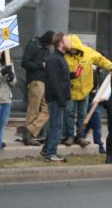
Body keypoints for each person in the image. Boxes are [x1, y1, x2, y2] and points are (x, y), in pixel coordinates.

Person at [62, 35, 112, 147]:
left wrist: (111, 67)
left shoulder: (88, 52)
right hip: (71, 91)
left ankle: (79, 136)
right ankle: (70, 136)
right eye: (68, 48)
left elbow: (100, 59)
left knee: (82, 114)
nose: (70, 50)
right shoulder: (64, 56)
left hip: (85, 90)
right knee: (69, 114)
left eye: (72, 48)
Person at [41, 32, 71, 162]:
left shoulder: (60, 57)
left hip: (58, 98)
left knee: (54, 125)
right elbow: (54, 82)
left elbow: (62, 77)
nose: (68, 42)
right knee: (57, 126)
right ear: (60, 43)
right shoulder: (54, 59)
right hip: (55, 99)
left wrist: (72, 75)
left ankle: (46, 149)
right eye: (66, 40)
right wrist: (61, 99)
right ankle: (51, 153)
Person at [21, 30, 55, 146]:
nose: (51, 46)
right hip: (35, 81)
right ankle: (28, 137)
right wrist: (41, 65)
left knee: (47, 110)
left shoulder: (46, 49)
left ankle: (29, 130)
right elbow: (24, 63)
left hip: (45, 82)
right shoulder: (33, 45)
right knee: (33, 110)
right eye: (51, 43)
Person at [84, 66, 107, 154]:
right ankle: (99, 144)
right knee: (97, 123)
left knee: (90, 123)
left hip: (97, 101)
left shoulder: (101, 73)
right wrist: (91, 92)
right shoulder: (91, 71)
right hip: (91, 101)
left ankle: (80, 136)